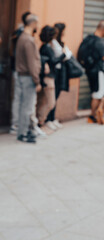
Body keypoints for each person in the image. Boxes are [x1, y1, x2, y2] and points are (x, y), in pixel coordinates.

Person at [15, 14, 41, 143]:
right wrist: (37, 80)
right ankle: (24, 133)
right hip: (28, 77)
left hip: (21, 76)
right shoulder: (28, 40)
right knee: (27, 107)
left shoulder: (21, 38)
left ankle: (22, 132)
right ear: (33, 24)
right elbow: (32, 63)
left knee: (23, 106)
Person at [37, 25, 66, 131]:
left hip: (48, 77)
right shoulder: (47, 48)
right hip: (48, 78)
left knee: (44, 101)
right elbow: (53, 61)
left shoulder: (45, 47)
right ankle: (40, 122)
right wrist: (63, 55)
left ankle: (40, 122)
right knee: (50, 102)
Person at [45, 23, 71, 131]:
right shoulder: (52, 43)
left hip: (61, 72)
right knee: (52, 96)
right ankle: (48, 119)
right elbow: (64, 55)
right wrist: (64, 54)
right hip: (54, 72)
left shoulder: (60, 43)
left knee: (56, 95)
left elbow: (68, 54)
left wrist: (65, 54)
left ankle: (52, 118)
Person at [9, 11, 32, 135]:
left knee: (21, 99)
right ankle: (16, 124)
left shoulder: (19, 34)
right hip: (20, 71)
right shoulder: (21, 35)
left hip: (19, 70)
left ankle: (19, 124)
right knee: (20, 98)